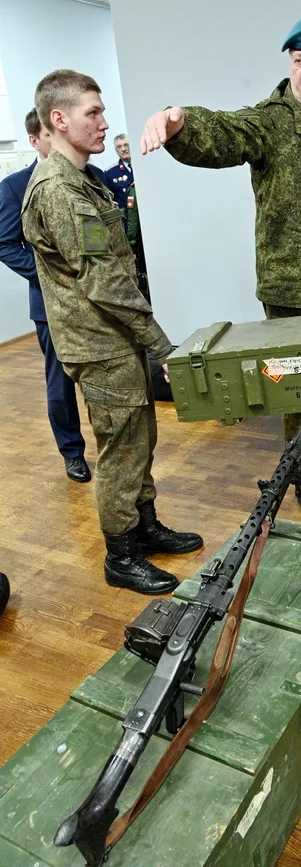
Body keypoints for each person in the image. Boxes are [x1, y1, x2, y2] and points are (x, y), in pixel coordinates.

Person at [140, 14, 301, 525]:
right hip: (292, 291)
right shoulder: (273, 121)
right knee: (300, 391)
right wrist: (181, 121)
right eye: (299, 60)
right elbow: (226, 133)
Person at [22, 69, 203, 594]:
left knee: (138, 437)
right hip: (99, 343)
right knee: (121, 447)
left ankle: (144, 527)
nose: (104, 123)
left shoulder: (84, 178)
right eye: (93, 113)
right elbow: (104, 281)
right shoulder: (60, 190)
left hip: (115, 339)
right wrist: (161, 345)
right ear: (59, 119)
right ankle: (121, 555)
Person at [0, 108, 91, 482]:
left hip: (97, 299)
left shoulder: (89, 176)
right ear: (34, 140)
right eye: (49, 135)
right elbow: (6, 244)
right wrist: (53, 276)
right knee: (61, 383)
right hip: (50, 305)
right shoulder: (15, 186)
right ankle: (72, 453)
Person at [104, 133, 134, 210]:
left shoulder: (143, 166)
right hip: (126, 215)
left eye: (126, 145)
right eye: (119, 147)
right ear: (116, 151)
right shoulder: (110, 173)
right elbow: (107, 199)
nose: (123, 149)